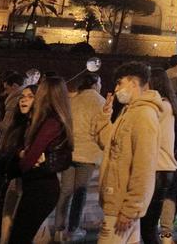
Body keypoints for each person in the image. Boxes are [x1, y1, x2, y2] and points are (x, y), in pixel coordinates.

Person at [96, 62, 161, 244]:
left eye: (119, 83)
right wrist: (105, 115)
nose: (116, 89)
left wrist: (130, 209)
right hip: (117, 199)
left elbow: (144, 167)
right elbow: (107, 143)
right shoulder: (128, 111)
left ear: (133, 83)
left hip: (121, 205)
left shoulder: (144, 115)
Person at [10, 76, 74, 243]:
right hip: (37, 186)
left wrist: (24, 157)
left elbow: (28, 161)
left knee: (19, 237)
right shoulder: (49, 120)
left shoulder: (51, 123)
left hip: (41, 189)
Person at [56, 71, 105, 240]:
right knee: (80, 191)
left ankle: (58, 229)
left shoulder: (73, 100)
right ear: (95, 83)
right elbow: (102, 129)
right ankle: (73, 228)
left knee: (65, 190)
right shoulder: (100, 102)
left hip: (70, 151)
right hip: (88, 154)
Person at [141, 68, 177, 244]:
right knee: (147, 226)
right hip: (163, 169)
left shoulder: (160, 107)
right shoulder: (167, 105)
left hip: (158, 170)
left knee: (148, 228)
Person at [0, 85, 36, 243]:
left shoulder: (41, 126)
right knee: (7, 223)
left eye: (30, 96)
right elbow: (10, 148)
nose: (24, 99)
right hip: (14, 179)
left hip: (32, 183)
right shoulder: (19, 123)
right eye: (22, 96)